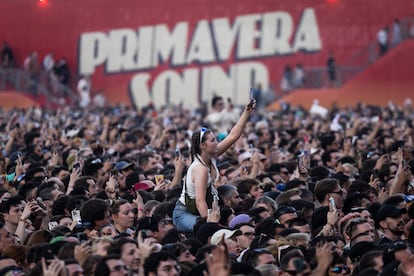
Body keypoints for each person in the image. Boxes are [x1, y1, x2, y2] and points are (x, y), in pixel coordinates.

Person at [173, 97, 256, 232]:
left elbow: (233, 136)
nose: (217, 142)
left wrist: (247, 112)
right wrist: (211, 225)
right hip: (183, 214)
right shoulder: (200, 169)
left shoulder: (211, 155)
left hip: (201, 208)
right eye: (213, 140)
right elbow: (200, 202)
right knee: (212, 231)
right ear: (203, 146)